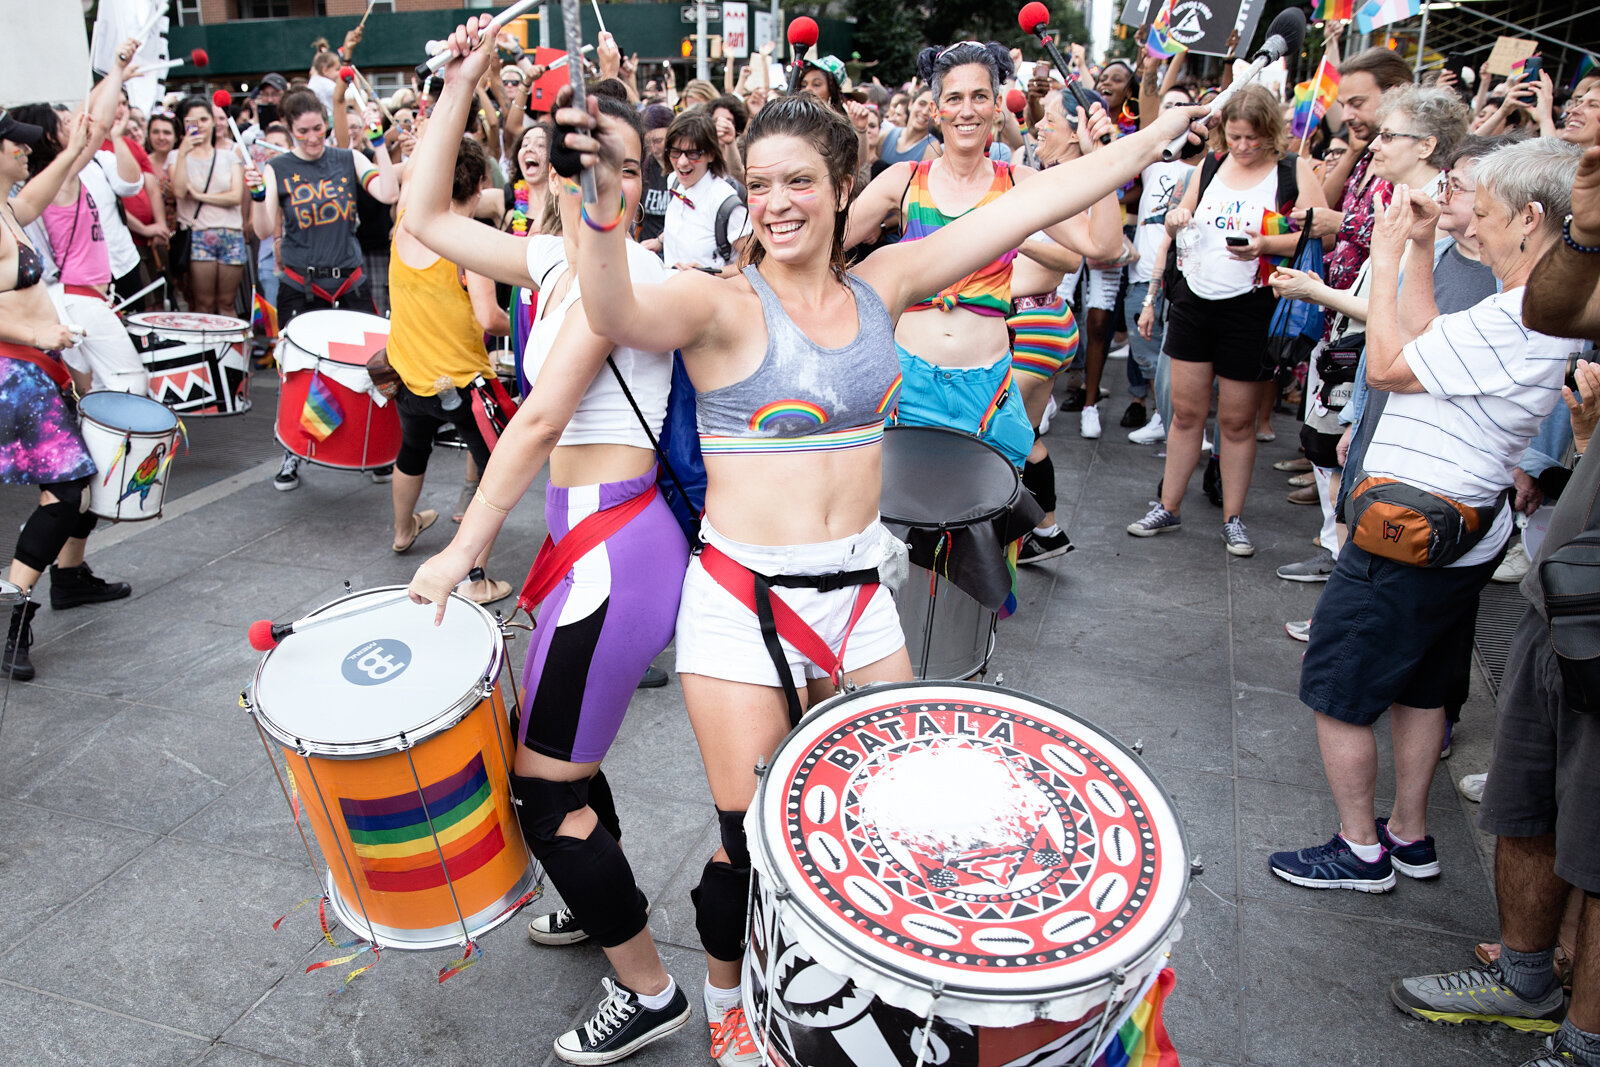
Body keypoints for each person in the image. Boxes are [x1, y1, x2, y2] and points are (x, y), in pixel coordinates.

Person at [549, 20, 1209, 1061]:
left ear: (844, 179)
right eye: (759, 183)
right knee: (748, 840)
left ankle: (854, 1010)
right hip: (738, 602)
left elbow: (1037, 200)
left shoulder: (884, 284)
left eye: (800, 180)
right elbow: (614, 303)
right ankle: (730, 1002)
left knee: (881, 832)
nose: (776, 203)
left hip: (858, 599)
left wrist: (1158, 132)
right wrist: (598, 207)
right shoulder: (717, 305)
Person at [403, 31, 692, 1063]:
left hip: (618, 549)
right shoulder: (550, 261)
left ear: (627, 173)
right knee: (558, 752)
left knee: (542, 784)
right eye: (560, 153)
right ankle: (592, 900)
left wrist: (457, 551)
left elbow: (536, 421)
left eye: (596, 157)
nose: (570, 171)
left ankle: (649, 986)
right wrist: (460, 82)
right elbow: (424, 216)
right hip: (586, 543)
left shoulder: (635, 275)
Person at [1267, 138, 1585, 897]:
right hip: (1464, 529)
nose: (1470, 214)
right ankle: (1408, 833)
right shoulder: (1533, 307)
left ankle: (1359, 847)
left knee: (1338, 686)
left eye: (1486, 203)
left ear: (1530, 219)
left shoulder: (1519, 317)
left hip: (1409, 531)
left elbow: (1384, 363)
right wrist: (1415, 247)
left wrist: (1379, 257)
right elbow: (1427, 332)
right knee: (1423, 687)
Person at [1388, 139, 1600, 1067]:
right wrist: (1588, 235)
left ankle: (1583, 1035)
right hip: (1573, 573)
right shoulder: (1565, 267)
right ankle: (1525, 975)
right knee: (1529, 782)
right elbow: (1562, 301)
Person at [845, 42, 1122, 472]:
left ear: (997, 106)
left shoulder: (1019, 182)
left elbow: (1101, 245)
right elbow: (830, 245)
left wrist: (1102, 152)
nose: (967, 110)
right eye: (954, 98)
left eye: (979, 97)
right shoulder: (901, 182)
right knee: (907, 525)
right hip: (907, 388)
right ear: (937, 110)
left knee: (984, 526)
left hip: (987, 391)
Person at [1127, 85, 1327, 556]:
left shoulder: (1291, 170)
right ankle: (1168, 506)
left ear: (1270, 133)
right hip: (1197, 298)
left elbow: (1320, 234)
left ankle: (1233, 518)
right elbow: (1185, 213)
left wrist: (1265, 247)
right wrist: (1177, 218)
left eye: (1252, 139)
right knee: (1185, 414)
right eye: (1234, 137)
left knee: (1237, 422)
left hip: (1251, 304)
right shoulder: (1212, 166)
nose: (1242, 146)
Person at [0, 105, 134, 681]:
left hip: (39, 366)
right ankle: (11, 617)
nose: (26, 152)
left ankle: (71, 578)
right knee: (70, 485)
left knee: (82, 480)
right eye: (16, 146)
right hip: (16, 371)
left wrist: (83, 141)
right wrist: (37, 332)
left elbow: (50, 181)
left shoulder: (7, 210)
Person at [243, 88, 398, 492]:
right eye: (303, 132)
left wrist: (379, 142)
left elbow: (389, 192)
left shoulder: (348, 158)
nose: (312, 138)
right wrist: (258, 194)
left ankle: (376, 448)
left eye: (318, 129)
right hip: (300, 284)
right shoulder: (278, 167)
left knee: (375, 365)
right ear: (290, 130)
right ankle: (293, 451)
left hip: (349, 280)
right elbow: (262, 230)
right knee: (297, 369)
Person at [385, 135, 512, 606]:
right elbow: (489, 318)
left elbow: (420, 172)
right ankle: (477, 577)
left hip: (409, 372)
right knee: (494, 470)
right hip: (463, 381)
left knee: (412, 451)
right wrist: (520, 325)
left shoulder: (406, 223)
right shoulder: (466, 239)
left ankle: (403, 529)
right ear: (480, 184)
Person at [13, 50, 147, 395]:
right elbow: (99, 124)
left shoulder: (53, 177)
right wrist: (115, 71)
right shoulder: (59, 177)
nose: (76, 125)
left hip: (74, 298)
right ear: (51, 138)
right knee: (130, 384)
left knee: (90, 393)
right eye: (66, 124)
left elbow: (96, 123)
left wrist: (114, 75)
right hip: (80, 300)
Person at [171, 96, 245, 316]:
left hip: (231, 233)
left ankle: (233, 350)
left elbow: (235, 196)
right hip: (199, 235)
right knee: (204, 304)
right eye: (192, 121)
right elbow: (180, 191)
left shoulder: (229, 156)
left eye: (204, 119)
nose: (199, 125)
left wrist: (201, 196)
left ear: (213, 121)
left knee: (227, 303)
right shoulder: (176, 157)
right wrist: (183, 152)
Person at [660, 107, 750, 273]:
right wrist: (659, 241)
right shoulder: (673, 181)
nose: (682, 162)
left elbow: (754, 260)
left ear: (711, 154)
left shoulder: (725, 202)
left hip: (711, 296)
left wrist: (711, 273)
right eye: (675, 152)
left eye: (693, 154)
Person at [878, 87, 935, 165]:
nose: (924, 112)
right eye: (922, 104)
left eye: (931, 109)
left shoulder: (932, 150)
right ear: (911, 104)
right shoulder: (885, 136)